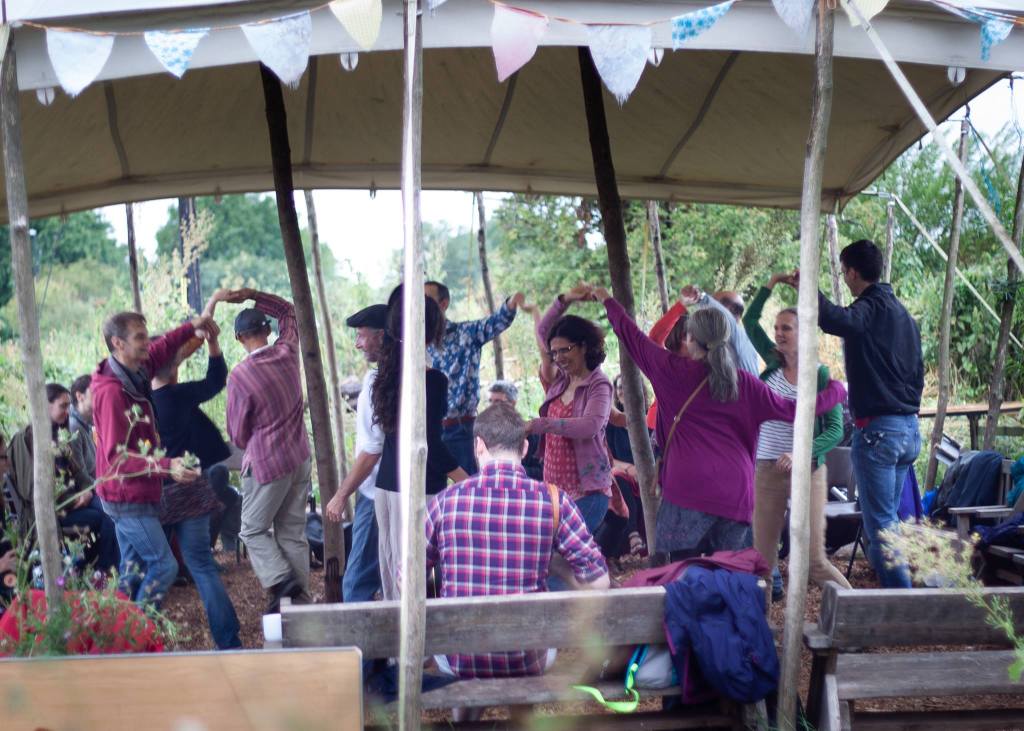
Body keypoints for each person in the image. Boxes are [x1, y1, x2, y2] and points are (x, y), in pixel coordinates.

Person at [595, 286, 846, 558]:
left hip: (685, 490)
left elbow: (632, 336)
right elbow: (794, 411)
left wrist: (607, 300)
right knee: (731, 574)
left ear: (690, 338)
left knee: (684, 574)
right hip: (735, 493)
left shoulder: (671, 371)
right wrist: (835, 390)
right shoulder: (745, 383)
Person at [425, 403, 608, 719]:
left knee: (461, 650)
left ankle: (464, 721)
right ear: (524, 448)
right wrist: (558, 568)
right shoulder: (555, 501)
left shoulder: (444, 503)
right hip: (527, 656)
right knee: (528, 649)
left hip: (459, 656)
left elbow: (407, 579)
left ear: (478, 446)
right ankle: (522, 720)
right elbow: (599, 582)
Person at [787, 239, 923, 588]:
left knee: (882, 526)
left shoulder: (870, 308)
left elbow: (837, 320)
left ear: (851, 272)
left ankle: (904, 603)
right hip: (909, 428)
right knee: (887, 522)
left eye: (843, 271)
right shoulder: (905, 317)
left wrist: (808, 290)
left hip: (880, 433)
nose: (844, 277)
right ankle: (893, 593)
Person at [742, 274, 851, 599]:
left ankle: (858, 614)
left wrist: (801, 453)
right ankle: (758, 627)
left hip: (808, 471)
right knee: (762, 562)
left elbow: (835, 430)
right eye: (777, 328)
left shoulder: (819, 375)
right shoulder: (772, 361)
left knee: (814, 562)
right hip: (767, 469)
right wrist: (773, 282)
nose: (778, 333)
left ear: (804, 333)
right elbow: (749, 321)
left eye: (786, 328)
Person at [92, 311, 203, 606]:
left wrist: (193, 325)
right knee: (164, 566)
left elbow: (162, 347)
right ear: (118, 343)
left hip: (133, 492)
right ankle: (140, 629)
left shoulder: (135, 368)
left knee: (131, 572)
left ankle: (115, 629)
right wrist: (167, 466)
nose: (146, 342)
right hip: (126, 497)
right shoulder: (112, 392)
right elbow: (116, 459)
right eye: (139, 337)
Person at [150, 296, 241, 650]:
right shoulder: (180, 396)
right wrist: (213, 343)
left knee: (152, 568)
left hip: (154, 490)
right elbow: (216, 379)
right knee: (202, 565)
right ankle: (229, 642)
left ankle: (134, 639)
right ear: (174, 366)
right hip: (190, 487)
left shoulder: (139, 402)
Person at [373, 285, 469, 600]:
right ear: (432, 330)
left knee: (393, 577)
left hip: (387, 485)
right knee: (415, 582)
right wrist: (467, 481)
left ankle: (394, 634)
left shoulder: (386, 372)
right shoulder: (432, 380)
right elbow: (430, 444)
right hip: (417, 488)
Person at [225, 288, 312, 613]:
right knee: (292, 533)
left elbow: (237, 433)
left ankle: (280, 580)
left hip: (267, 463)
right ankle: (299, 605)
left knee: (252, 529)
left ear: (239, 338)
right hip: (299, 456)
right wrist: (250, 294)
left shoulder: (241, 376)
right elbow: (289, 310)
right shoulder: (287, 351)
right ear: (267, 330)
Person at [528, 285, 614, 536]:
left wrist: (539, 424)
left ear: (584, 346)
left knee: (562, 553)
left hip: (588, 493)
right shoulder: (559, 380)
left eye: (565, 350)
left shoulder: (599, 384)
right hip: (554, 492)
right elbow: (543, 331)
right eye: (554, 353)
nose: (559, 358)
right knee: (556, 555)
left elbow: (590, 426)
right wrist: (565, 299)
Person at [9, 383, 119, 574]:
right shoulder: (25, 440)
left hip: (75, 501)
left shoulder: (59, 436)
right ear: (45, 406)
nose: (68, 411)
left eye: (69, 406)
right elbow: (31, 490)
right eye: (63, 406)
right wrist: (73, 499)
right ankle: (101, 571)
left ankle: (97, 570)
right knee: (105, 518)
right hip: (50, 513)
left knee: (112, 509)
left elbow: (79, 473)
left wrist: (88, 491)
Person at [425, 280, 525, 475]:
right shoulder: (413, 341)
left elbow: (498, 321)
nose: (422, 304)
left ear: (443, 304)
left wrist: (512, 302)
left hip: (461, 429)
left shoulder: (467, 333)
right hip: (427, 431)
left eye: (427, 299)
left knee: (470, 487)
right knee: (429, 491)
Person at [325, 303, 388, 603]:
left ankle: (356, 635)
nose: (357, 343)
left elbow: (373, 449)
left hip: (375, 491)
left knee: (356, 582)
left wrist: (341, 494)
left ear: (382, 336)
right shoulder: (407, 374)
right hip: (385, 490)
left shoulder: (378, 381)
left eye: (362, 335)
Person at [680, 286, 760, 375]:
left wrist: (701, 298)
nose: (705, 314)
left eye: (708, 311)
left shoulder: (738, 337)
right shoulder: (728, 340)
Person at [486, 380, 542, 480]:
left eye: (498, 402)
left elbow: (541, 472)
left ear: (513, 403)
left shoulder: (531, 434)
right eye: (490, 401)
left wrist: (513, 470)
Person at [68, 375, 96, 482]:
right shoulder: (73, 427)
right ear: (79, 396)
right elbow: (82, 479)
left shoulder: (86, 422)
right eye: (95, 393)